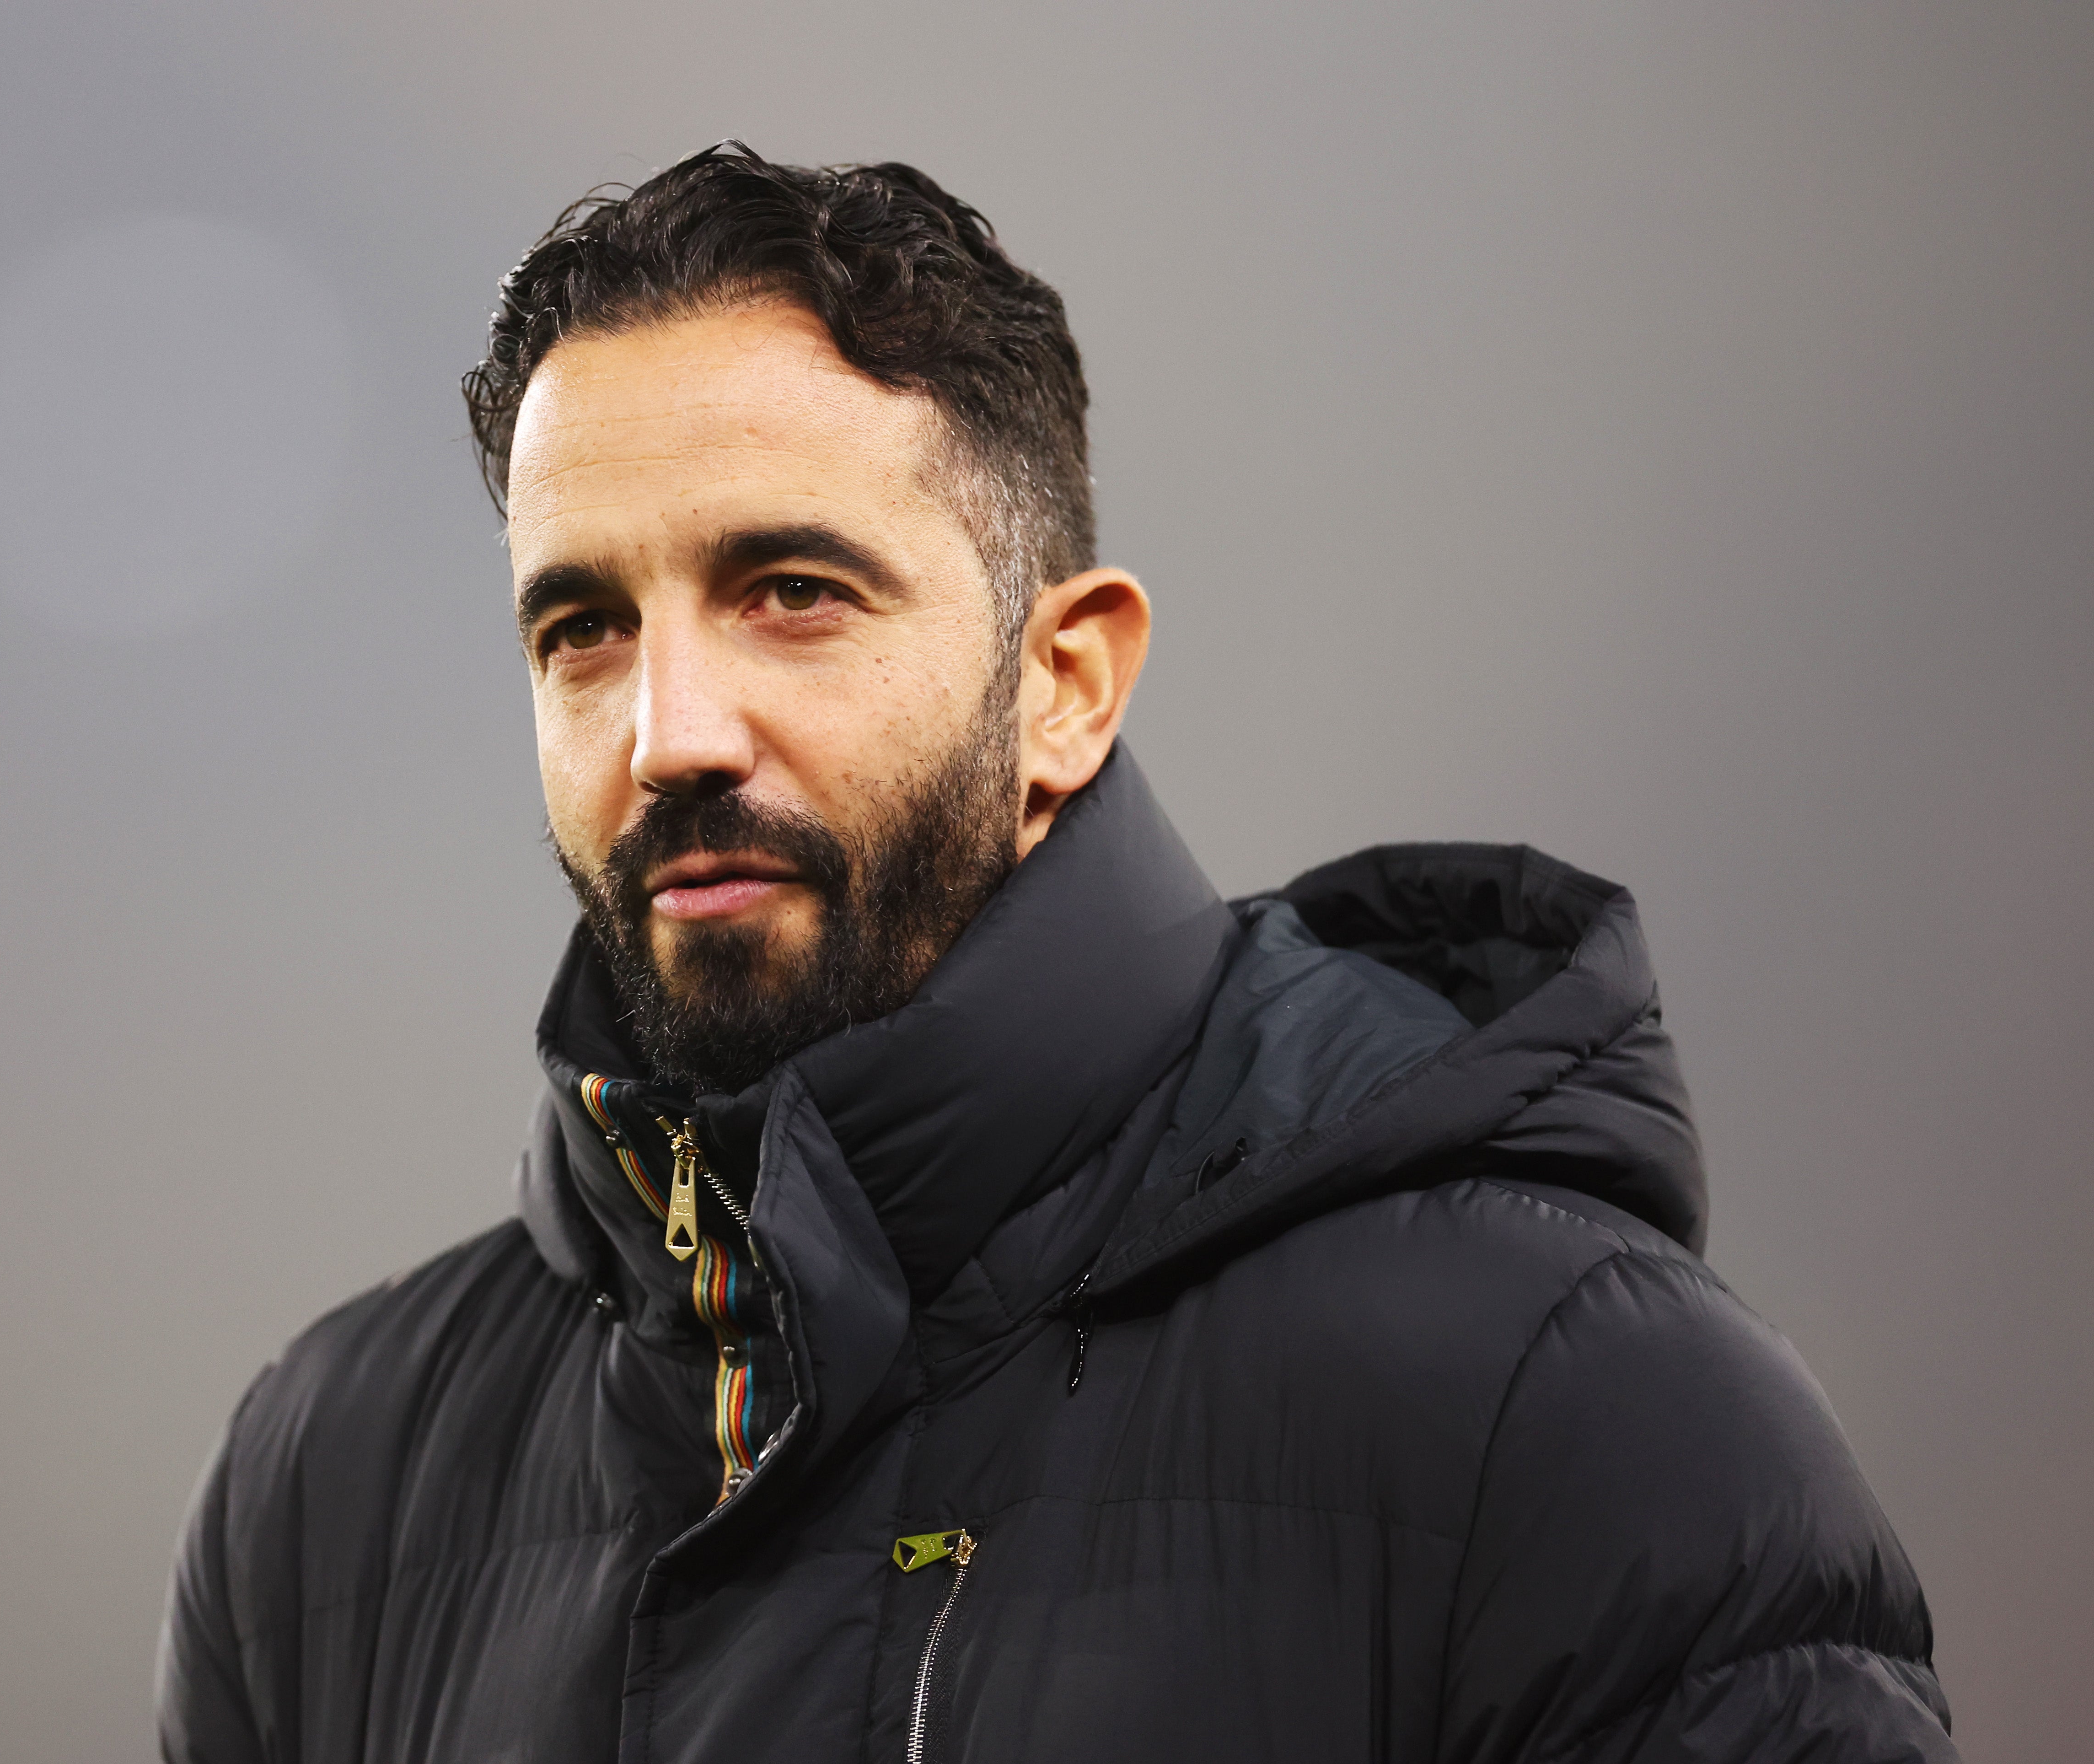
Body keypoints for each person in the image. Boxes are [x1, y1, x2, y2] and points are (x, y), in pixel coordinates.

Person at [157, 143, 1952, 1763]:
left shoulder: (1565, 1404)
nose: (669, 729)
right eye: (583, 628)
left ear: (1068, 682)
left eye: (793, 591)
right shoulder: (331, 1480)